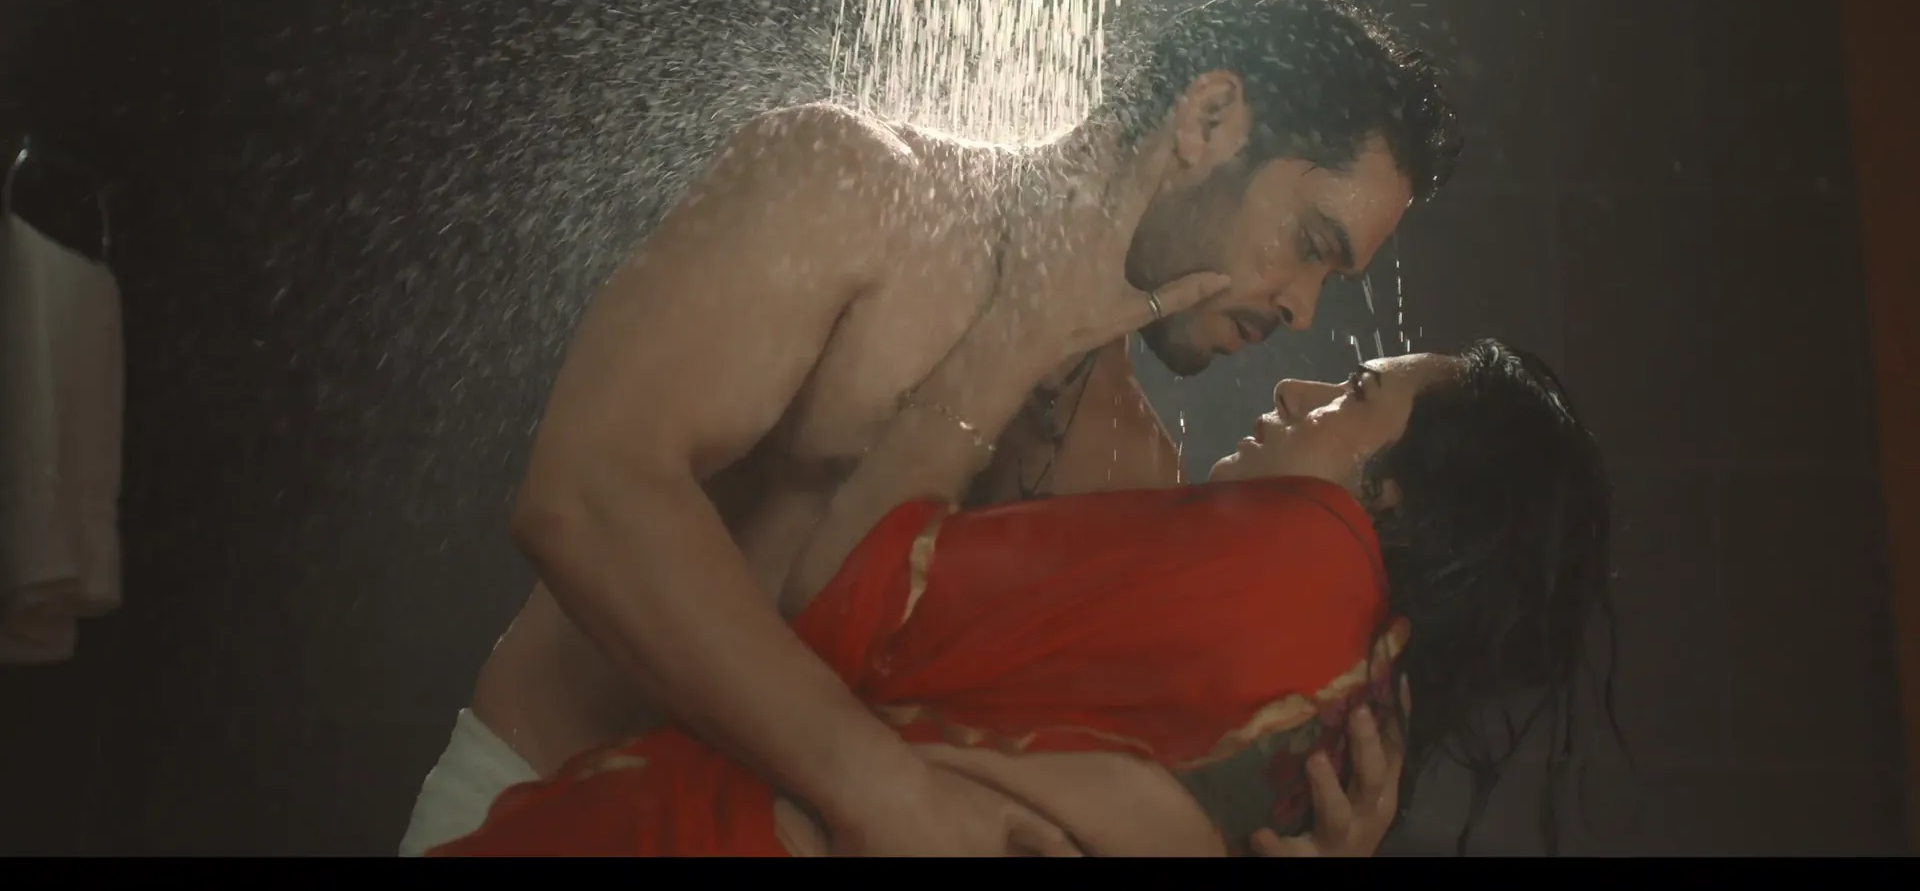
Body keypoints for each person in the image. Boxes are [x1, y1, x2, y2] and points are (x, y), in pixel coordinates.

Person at [400, 0, 1463, 857]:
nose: (1302, 310)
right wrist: (878, 789)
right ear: (1211, 119)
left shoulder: (1137, 463)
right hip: (530, 812)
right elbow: (586, 494)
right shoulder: (852, 187)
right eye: (1311, 244)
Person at [427, 340, 1613, 856]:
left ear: (1395, 497)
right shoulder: (1336, 735)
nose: (1297, 375)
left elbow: (852, 608)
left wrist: (1008, 342)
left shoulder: (1305, 556)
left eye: (1355, 393)